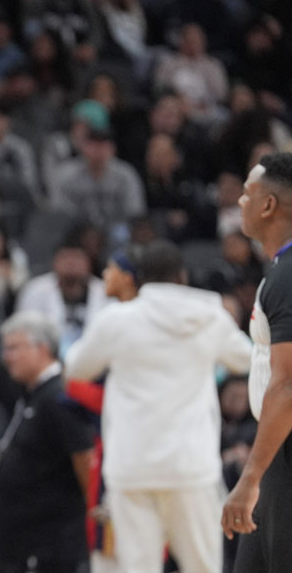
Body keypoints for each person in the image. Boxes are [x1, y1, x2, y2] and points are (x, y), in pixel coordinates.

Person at [65, 240, 250, 573]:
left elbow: (76, 368)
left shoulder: (116, 320)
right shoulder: (208, 316)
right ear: (182, 276)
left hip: (131, 466)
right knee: (203, 567)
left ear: (140, 279)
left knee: (138, 568)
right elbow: (245, 358)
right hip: (190, 466)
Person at [224, 152, 292, 564]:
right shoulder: (280, 272)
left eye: (247, 195)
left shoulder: (286, 278)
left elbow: (287, 384)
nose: (239, 203)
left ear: (269, 206)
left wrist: (249, 478)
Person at [0, 311, 96, 573]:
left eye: (14, 348)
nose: (7, 357)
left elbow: (85, 459)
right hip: (20, 544)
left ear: (42, 348)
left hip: (49, 548)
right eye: (5, 349)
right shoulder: (32, 393)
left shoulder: (59, 397)